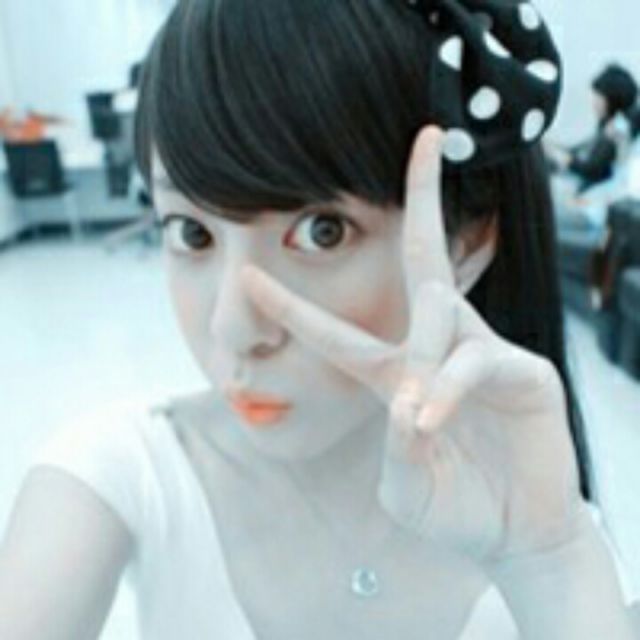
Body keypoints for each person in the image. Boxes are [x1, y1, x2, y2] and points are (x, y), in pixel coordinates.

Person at [0, 1, 638, 638]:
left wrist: (547, 562)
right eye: (192, 233)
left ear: (465, 243)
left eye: (322, 231)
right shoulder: (113, 477)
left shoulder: (553, 534)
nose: (234, 327)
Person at [545, 63, 639, 233]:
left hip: (595, 208)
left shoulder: (618, 130)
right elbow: (583, 150)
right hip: (591, 200)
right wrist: (558, 152)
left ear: (612, 98)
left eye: (598, 97)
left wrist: (565, 159)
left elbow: (600, 172)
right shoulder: (611, 126)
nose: (594, 102)